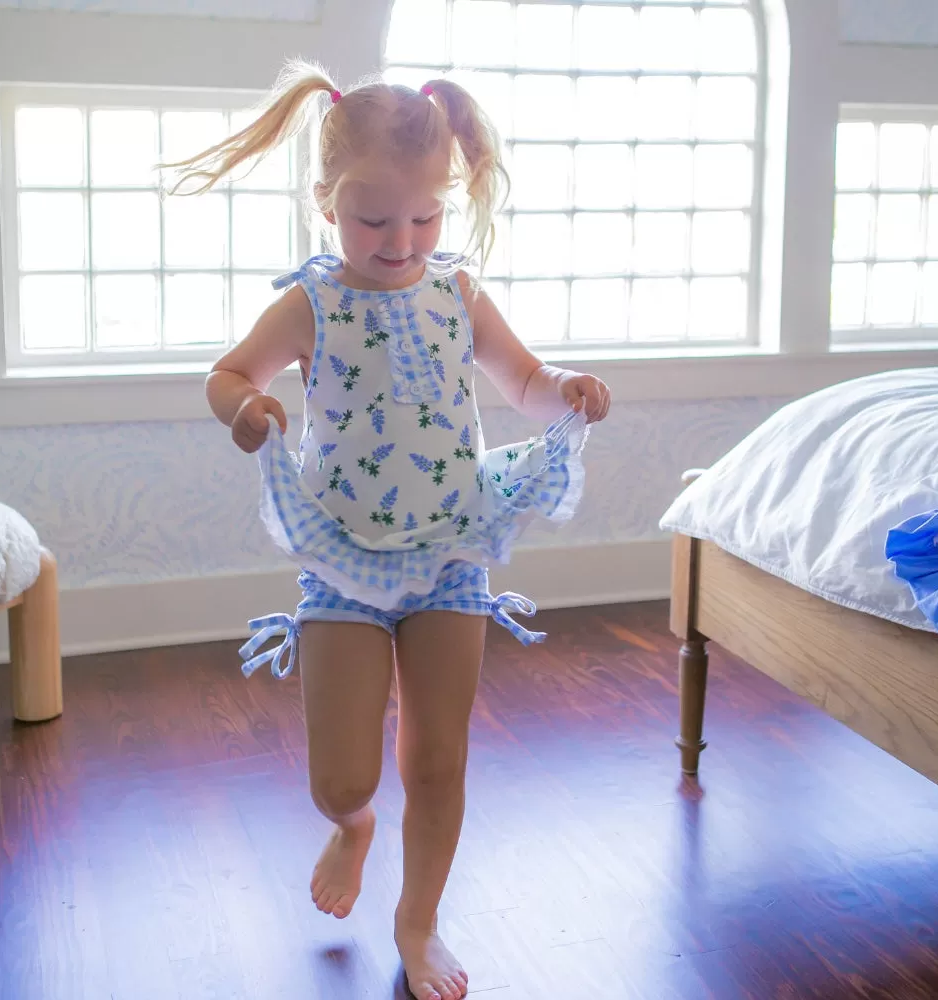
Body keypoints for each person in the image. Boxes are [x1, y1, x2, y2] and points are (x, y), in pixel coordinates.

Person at [169, 59, 611, 1000]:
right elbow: (226, 374)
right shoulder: (313, 303)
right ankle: (351, 825)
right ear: (327, 202)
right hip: (345, 560)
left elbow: (523, 382)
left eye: (425, 218)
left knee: (440, 757)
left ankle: (418, 925)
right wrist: (245, 408)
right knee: (343, 776)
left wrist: (561, 388)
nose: (402, 241)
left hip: (450, 544)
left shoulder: (458, 294)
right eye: (375, 220)